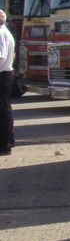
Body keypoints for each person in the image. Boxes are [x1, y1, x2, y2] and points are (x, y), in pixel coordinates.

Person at [0, 9, 14, 155]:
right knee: (5, 109)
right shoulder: (5, 32)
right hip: (5, 73)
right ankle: (8, 140)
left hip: (2, 73)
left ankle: (4, 143)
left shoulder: (0, 34)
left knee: (3, 111)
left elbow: (0, 57)